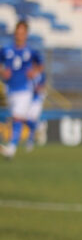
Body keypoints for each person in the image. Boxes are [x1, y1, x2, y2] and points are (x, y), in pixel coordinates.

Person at [1, 19, 44, 160]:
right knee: (17, 118)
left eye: (22, 33)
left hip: (25, 89)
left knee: (17, 117)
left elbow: (40, 65)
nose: (19, 35)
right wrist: (2, 71)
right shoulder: (6, 50)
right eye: (17, 33)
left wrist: (34, 72)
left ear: (26, 34)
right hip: (10, 88)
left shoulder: (31, 52)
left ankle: (11, 149)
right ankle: (35, 126)